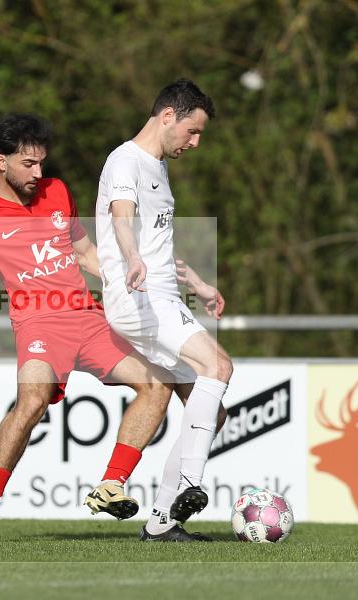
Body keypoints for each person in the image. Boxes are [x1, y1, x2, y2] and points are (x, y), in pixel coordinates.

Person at [0, 113, 178, 544]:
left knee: (157, 384)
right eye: (28, 164)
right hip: (38, 325)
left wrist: (132, 275)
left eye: (41, 163)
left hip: (87, 320)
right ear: (1, 162)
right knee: (31, 402)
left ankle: (111, 485)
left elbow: (86, 255)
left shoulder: (57, 192)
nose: (38, 173)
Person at [94, 79, 234, 541]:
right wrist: (132, 257)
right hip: (139, 300)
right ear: (168, 115)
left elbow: (155, 243)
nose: (194, 143)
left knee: (210, 414)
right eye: (192, 132)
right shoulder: (125, 160)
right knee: (219, 364)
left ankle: (162, 523)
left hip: (160, 295)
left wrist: (195, 281)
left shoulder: (156, 166)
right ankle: (191, 484)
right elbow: (120, 215)